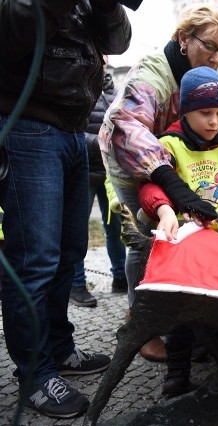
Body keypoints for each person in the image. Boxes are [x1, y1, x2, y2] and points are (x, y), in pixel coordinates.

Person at [0, 0, 131, 418]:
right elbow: (10, 28)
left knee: (67, 254)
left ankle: (59, 348)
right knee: (34, 261)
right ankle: (36, 375)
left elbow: (119, 41)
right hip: (28, 128)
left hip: (74, 133)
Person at [99, 3, 218, 362]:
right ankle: (139, 322)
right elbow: (127, 125)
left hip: (176, 155)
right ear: (182, 39)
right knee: (146, 236)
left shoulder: (200, 72)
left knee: (185, 232)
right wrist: (170, 183)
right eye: (211, 46)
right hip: (131, 159)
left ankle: (185, 314)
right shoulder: (153, 72)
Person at [138, 66, 218, 397]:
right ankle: (177, 372)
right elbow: (149, 186)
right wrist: (163, 210)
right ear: (186, 110)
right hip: (181, 245)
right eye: (205, 113)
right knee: (180, 309)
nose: (214, 121)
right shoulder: (168, 145)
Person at [70, 57, 127, 308]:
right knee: (78, 230)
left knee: (116, 228)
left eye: (105, 59)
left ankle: (120, 277)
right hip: (84, 170)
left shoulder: (115, 94)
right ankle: (77, 283)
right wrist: (99, 142)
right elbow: (70, 131)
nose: (101, 63)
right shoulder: (78, 89)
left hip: (110, 172)